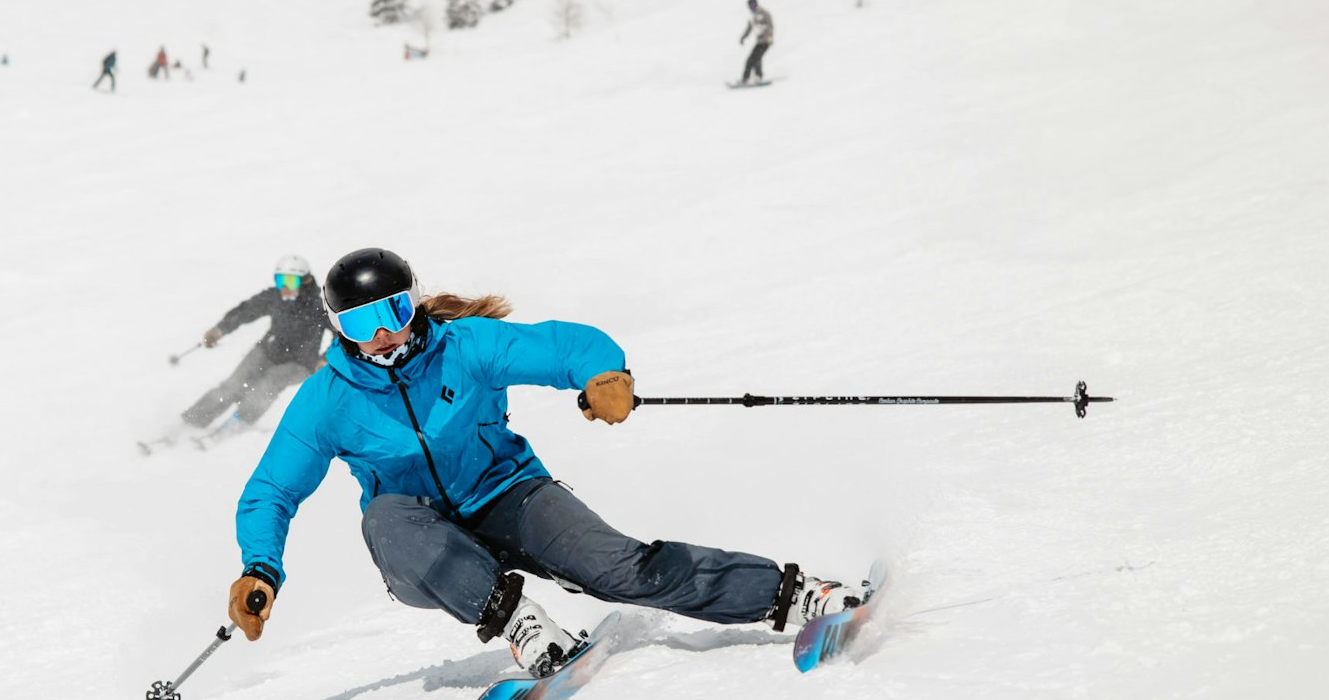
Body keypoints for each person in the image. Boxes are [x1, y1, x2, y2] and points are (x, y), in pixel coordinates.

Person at [224, 248, 865, 677]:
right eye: (363, 324)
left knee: (623, 567)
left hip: (511, 496)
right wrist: (260, 567)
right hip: (423, 546)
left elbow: (564, 346)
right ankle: (525, 627)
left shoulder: (467, 346)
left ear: (413, 303)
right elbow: (272, 490)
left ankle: (800, 594)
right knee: (385, 514)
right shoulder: (325, 401)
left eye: (393, 311)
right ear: (339, 329)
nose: (384, 334)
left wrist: (601, 375)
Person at [179, 256, 332, 439]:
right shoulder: (275, 297)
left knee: (267, 385)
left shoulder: (318, 306)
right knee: (233, 385)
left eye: (290, 281)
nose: (284, 286)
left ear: (305, 281)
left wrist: (326, 357)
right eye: (279, 279)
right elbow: (246, 310)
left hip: (300, 363)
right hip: (268, 352)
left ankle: (239, 422)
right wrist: (219, 330)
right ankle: (192, 421)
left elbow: (341, 335)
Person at [739, 0, 773, 86]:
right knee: (755, 59)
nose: (752, 7)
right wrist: (743, 37)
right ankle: (757, 76)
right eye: (750, 6)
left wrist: (769, 37)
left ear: (757, 4)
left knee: (752, 60)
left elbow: (770, 26)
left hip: (765, 41)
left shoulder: (763, 13)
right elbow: (749, 28)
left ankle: (747, 78)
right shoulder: (753, 16)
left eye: (753, 5)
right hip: (760, 41)